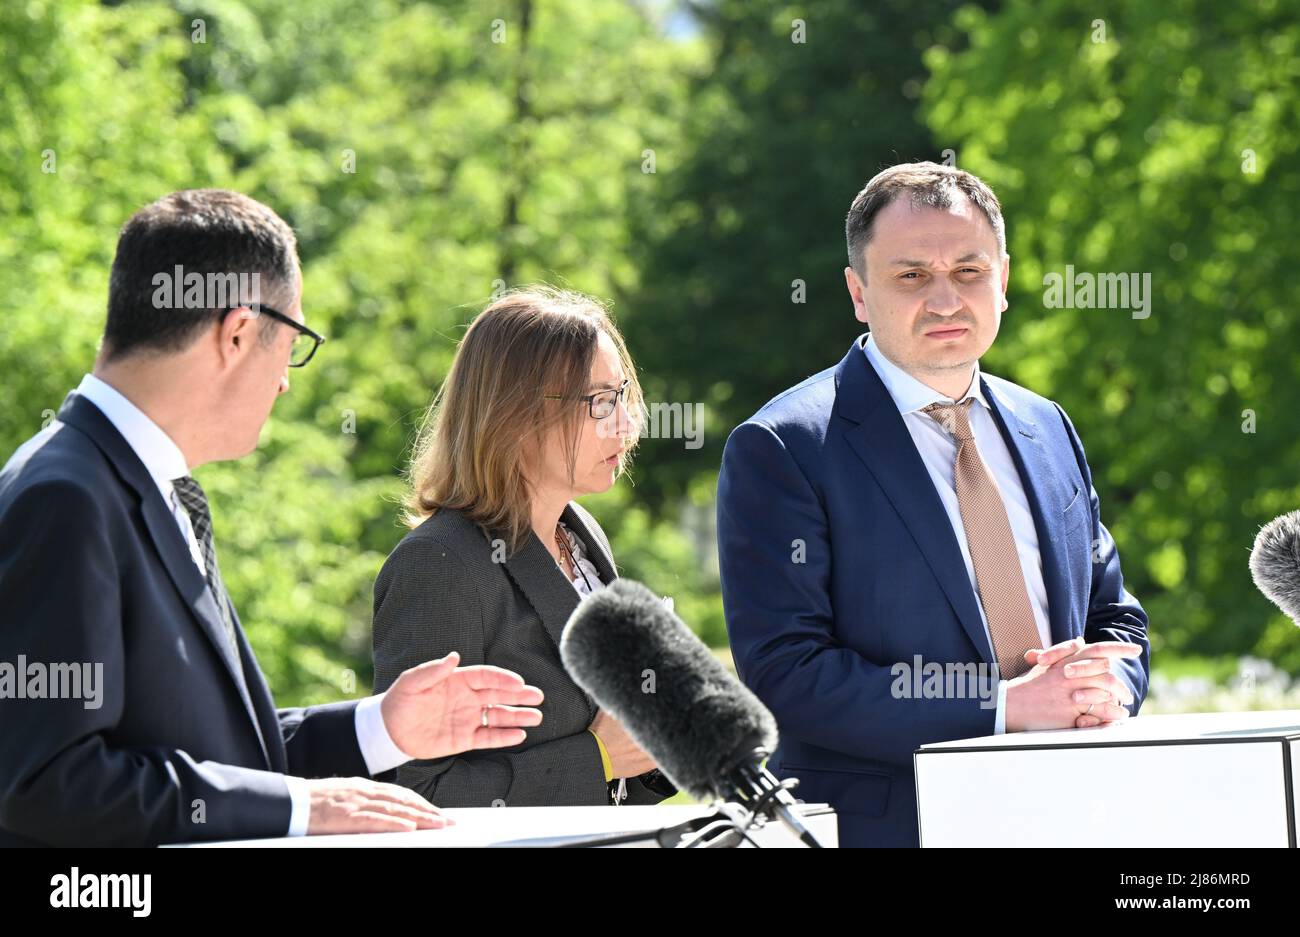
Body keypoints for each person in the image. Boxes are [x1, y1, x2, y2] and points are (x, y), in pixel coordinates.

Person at [0, 189, 545, 847]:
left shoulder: (136, 485)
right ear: (236, 332)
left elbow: (211, 750)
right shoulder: (67, 497)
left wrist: (381, 728)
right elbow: (45, 782)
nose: (286, 379)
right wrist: (297, 809)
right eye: (294, 342)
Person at [716, 162, 1150, 847]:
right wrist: (1000, 707)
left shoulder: (1049, 427)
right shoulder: (784, 445)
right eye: (912, 275)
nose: (946, 300)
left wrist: (1110, 680)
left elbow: (1115, 616)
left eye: (969, 272)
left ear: (1002, 281)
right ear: (859, 292)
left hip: (1075, 814)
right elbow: (787, 671)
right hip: (890, 828)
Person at [372, 286, 675, 806]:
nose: (625, 423)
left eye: (622, 394)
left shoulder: (580, 532)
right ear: (515, 415)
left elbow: (620, 766)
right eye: (599, 402)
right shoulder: (439, 564)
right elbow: (412, 792)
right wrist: (596, 758)